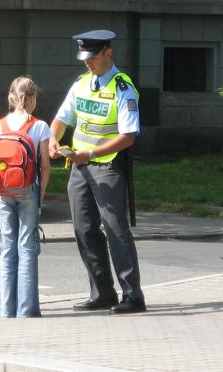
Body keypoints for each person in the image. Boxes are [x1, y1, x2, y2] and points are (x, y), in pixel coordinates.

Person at [48, 30, 146, 314]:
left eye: (92, 57)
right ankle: (102, 292)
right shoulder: (81, 84)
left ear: (108, 53)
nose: (88, 63)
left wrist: (90, 153)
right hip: (80, 168)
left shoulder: (122, 87)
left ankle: (133, 295)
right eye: (84, 58)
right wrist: (55, 140)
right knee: (83, 229)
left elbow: (128, 136)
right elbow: (61, 119)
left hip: (108, 167)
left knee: (116, 231)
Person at [0, 76, 51, 318]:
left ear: (11, 98)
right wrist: (41, 195)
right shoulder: (40, 126)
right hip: (28, 189)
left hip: (3, 191)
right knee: (27, 247)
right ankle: (26, 310)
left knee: (7, 248)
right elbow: (45, 165)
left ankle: (6, 309)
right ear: (33, 98)